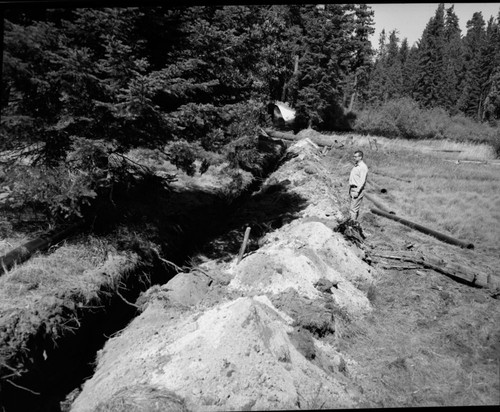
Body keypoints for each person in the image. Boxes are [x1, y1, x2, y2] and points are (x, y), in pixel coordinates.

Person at [348, 150, 368, 221]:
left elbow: (362, 181)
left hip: (357, 190)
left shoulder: (363, 167)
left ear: (360, 157)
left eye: (356, 157)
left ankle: (351, 225)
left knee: (353, 209)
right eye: (354, 156)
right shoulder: (356, 166)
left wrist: (357, 191)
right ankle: (352, 222)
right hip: (352, 189)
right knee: (353, 208)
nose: (354, 158)